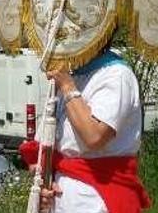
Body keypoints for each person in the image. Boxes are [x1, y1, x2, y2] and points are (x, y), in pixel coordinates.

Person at [34, 48, 150, 213]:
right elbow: (46, 147)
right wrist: (47, 182)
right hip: (64, 200)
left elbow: (94, 136)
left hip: (99, 199)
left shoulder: (117, 74)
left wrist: (67, 87)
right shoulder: (72, 75)